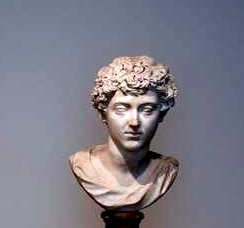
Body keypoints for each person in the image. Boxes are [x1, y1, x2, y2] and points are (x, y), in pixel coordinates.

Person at [68, 55, 180, 209]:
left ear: (161, 114)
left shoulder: (165, 171)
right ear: (103, 113)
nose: (134, 122)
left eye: (147, 109)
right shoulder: (83, 165)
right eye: (121, 109)